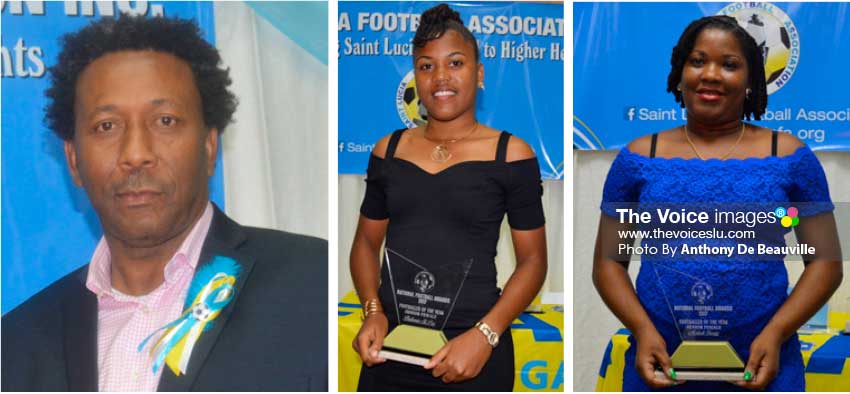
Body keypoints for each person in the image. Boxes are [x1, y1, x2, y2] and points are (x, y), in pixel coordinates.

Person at [0, 15, 328, 391]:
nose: (136, 153)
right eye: (107, 126)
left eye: (165, 120)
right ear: (73, 160)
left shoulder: (312, 284)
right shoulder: (16, 345)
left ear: (209, 145)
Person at [593, 15, 842, 391]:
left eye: (729, 64)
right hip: (661, 364)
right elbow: (609, 262)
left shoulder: (790, 156)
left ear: (751, 80)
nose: (710, 74)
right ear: (679, 73)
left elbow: (826, 263)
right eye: (697, 61)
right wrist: (642, 330)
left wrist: (776, 333)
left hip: (763, 364)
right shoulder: (639, 157)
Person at [349, 4, 548, 391]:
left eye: (455, 63)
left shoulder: (510, 154)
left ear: (479, 74)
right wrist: (372, 311)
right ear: (415, 78)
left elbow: (534, 262)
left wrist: (485, 335)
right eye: (426, 66)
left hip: (472, 353)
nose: (441, 77)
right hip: (390, 349)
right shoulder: (387, 150)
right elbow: (365, 243)